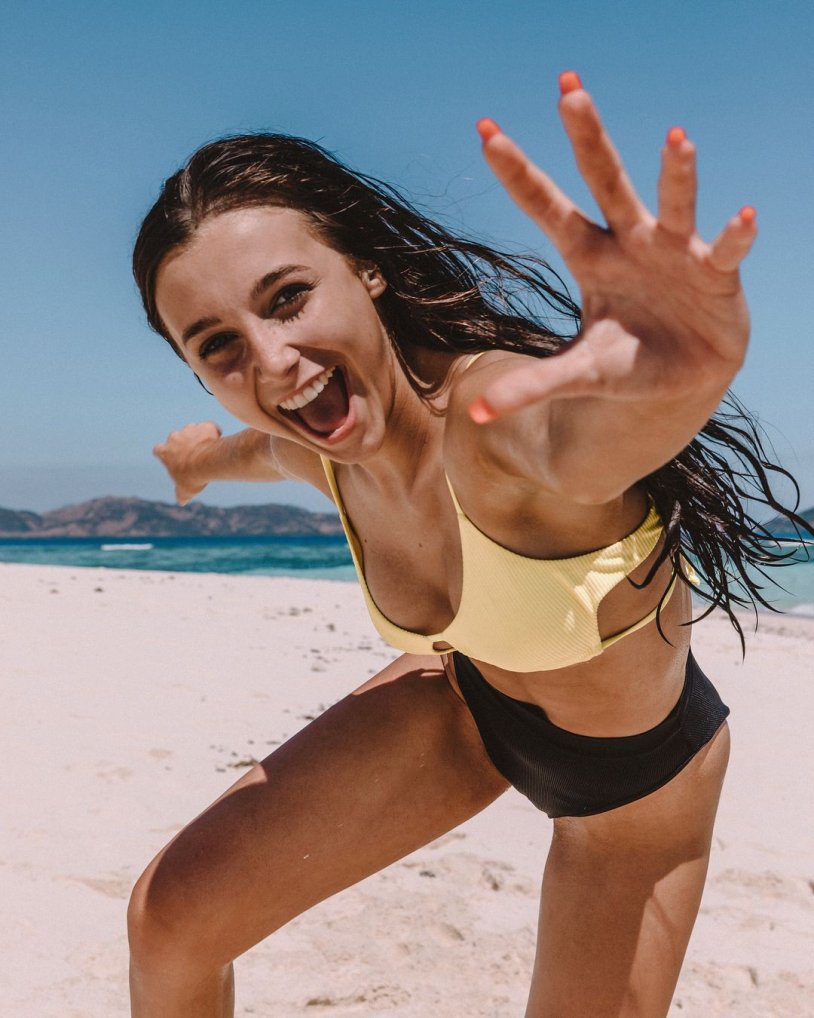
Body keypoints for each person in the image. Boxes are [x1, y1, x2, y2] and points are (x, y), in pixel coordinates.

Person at [127, 72, 810, 1017]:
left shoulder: (495, 422)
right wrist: (191, 463)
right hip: (461, 704)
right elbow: (244, 451)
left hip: (630, 801)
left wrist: (680, 373)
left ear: (366, 269)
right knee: (168, 920)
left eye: (287, 298)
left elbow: (583, 442)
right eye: (217, 347)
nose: (272, 362)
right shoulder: (316, 448)